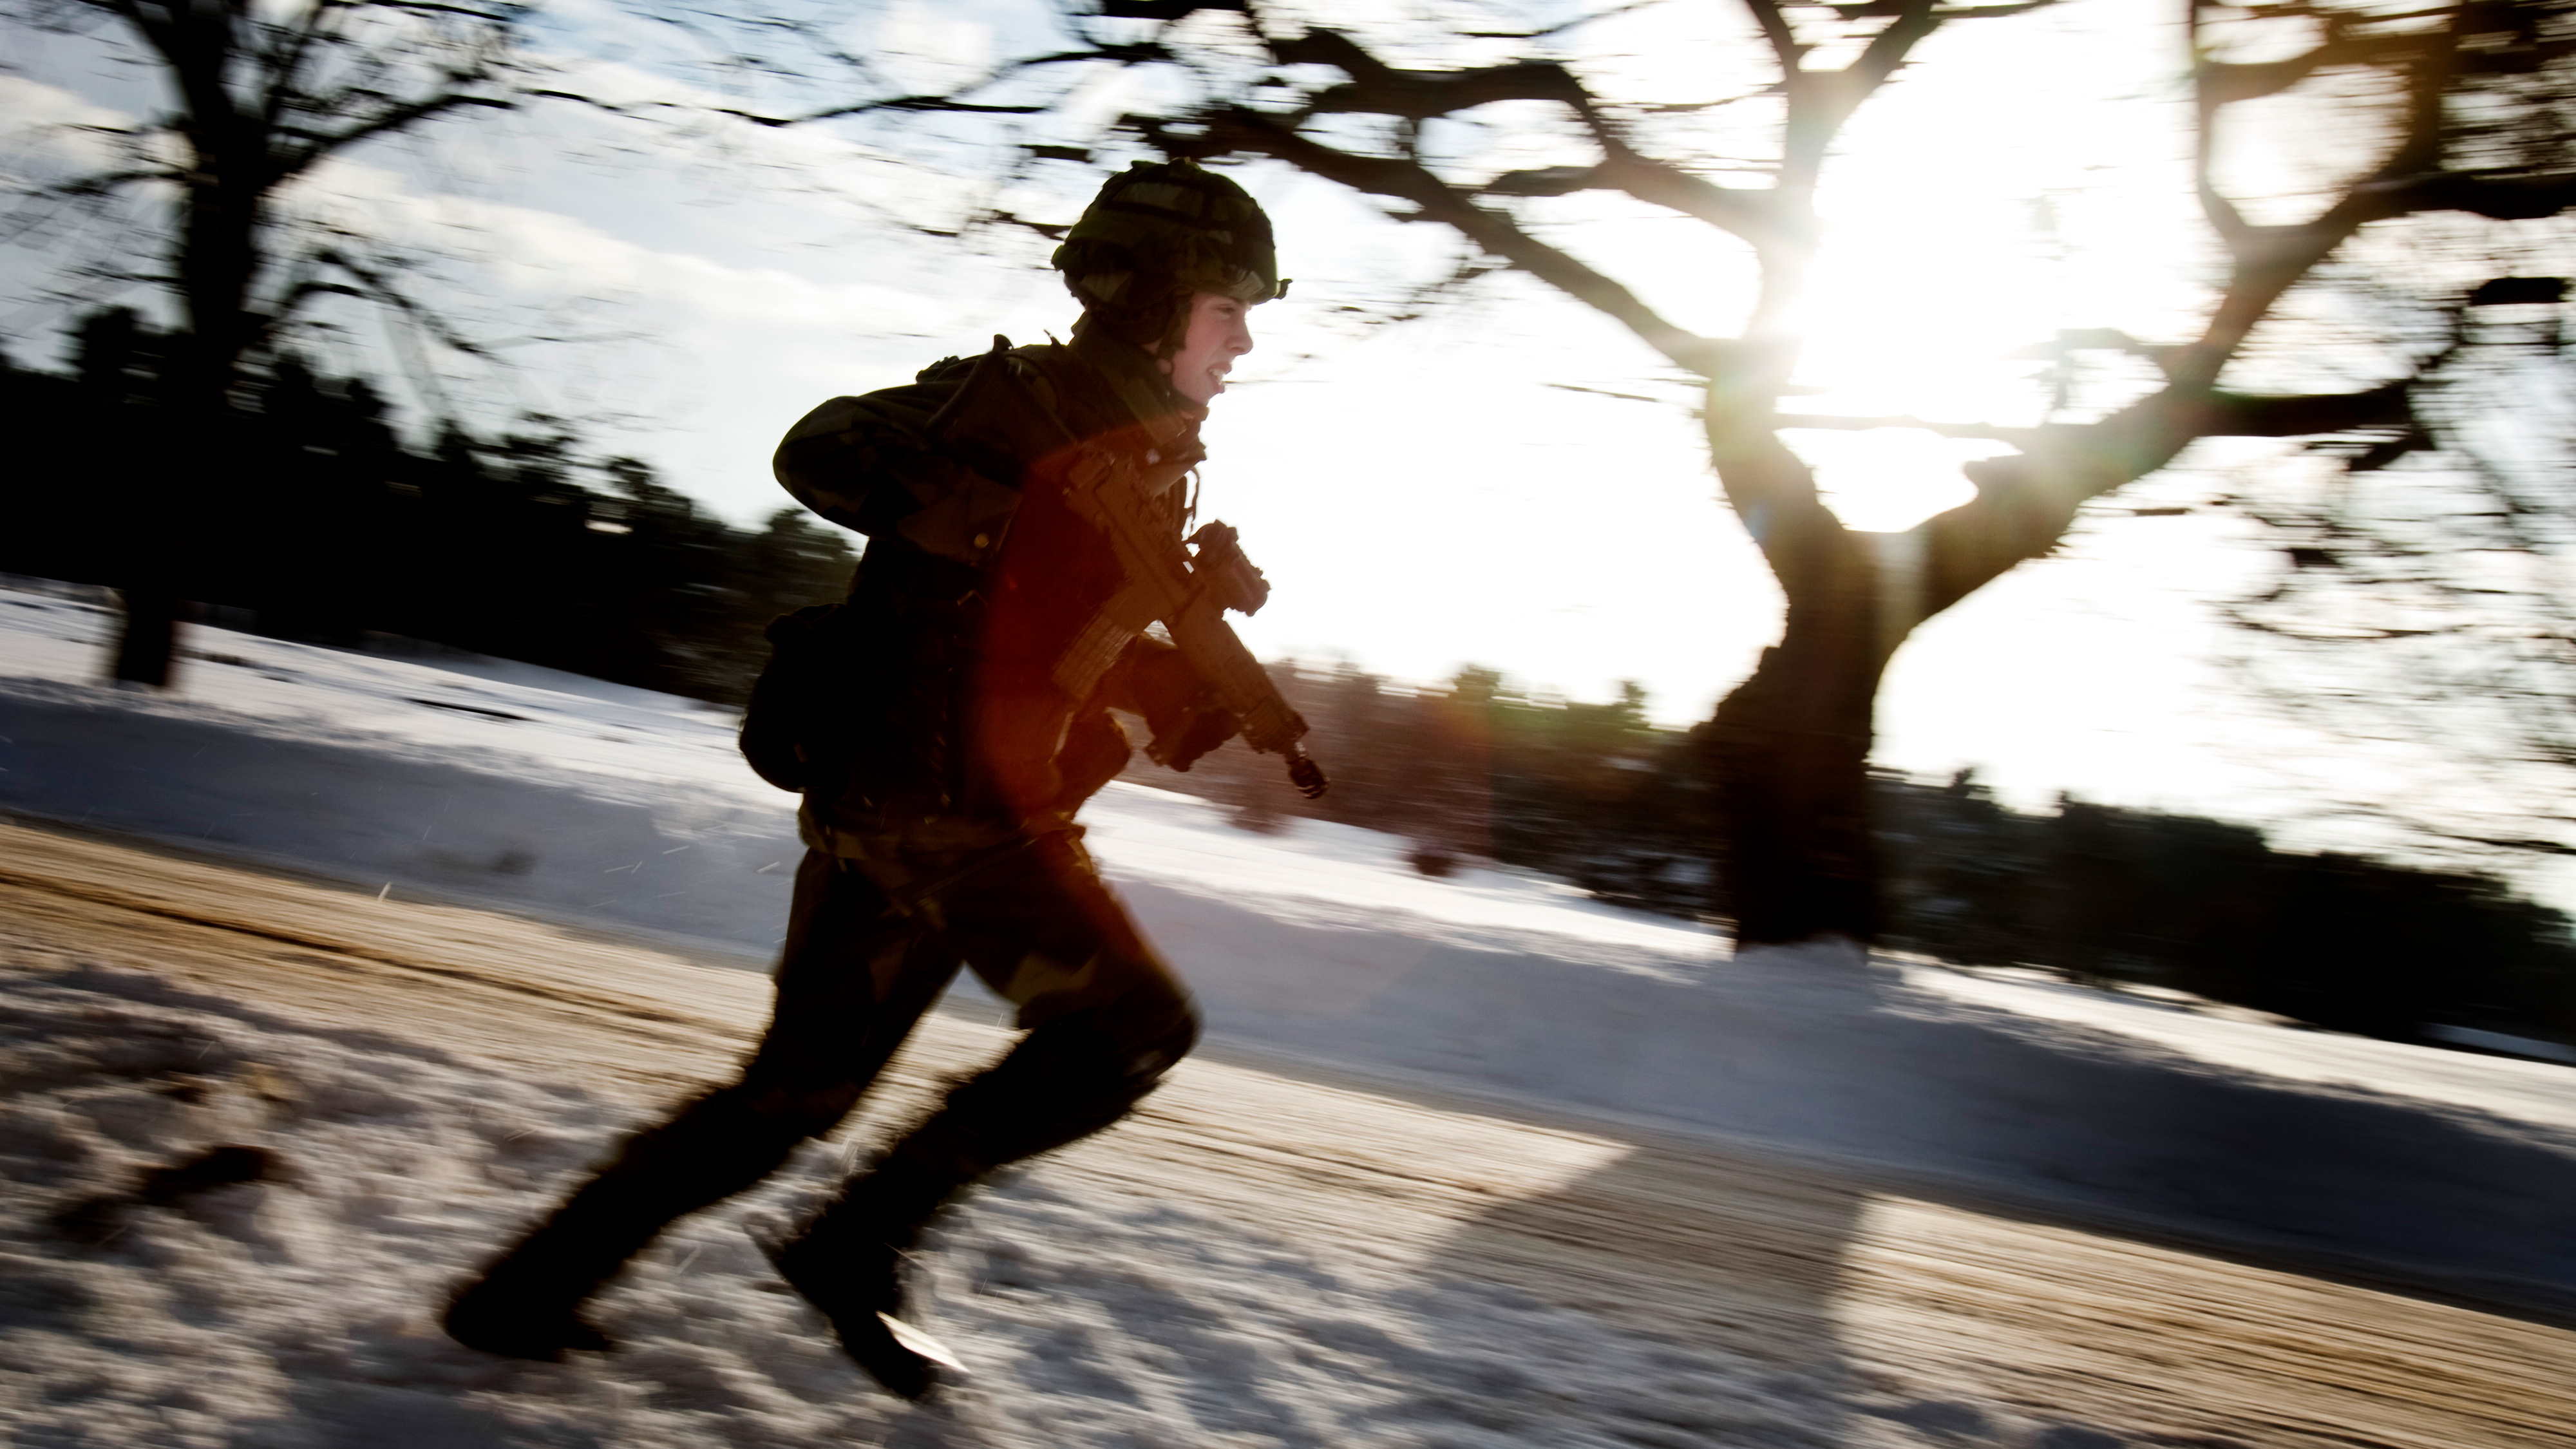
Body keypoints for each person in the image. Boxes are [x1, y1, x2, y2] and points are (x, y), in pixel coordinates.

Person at [441, 158, 1289, 1399]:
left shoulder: (1143, 459)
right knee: (1130, 1029)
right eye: (1228, 311)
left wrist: (1163, 680)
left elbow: (1034, 633)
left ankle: (524, 1292)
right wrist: (980, 511)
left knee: (795, 1097)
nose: (1245, 341)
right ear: (1154, 300)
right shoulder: (1015, 401)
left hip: (909, 808)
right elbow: (820, 446)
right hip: (948, 814)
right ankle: (856, 1241)